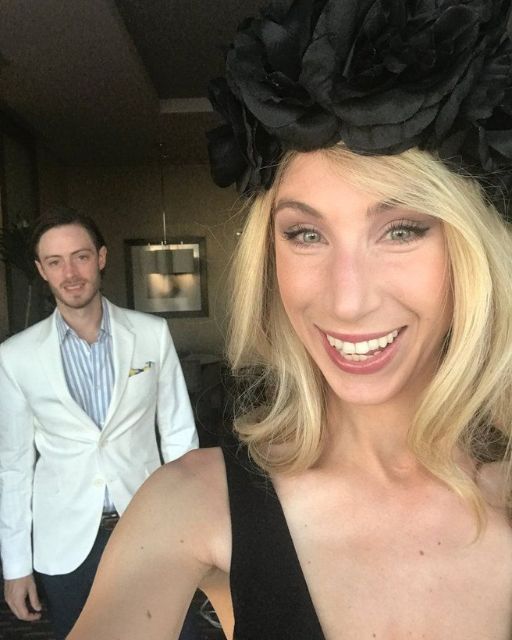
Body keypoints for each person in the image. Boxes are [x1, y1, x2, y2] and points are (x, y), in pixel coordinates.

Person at [68, 1, 512, 638]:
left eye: (402, 230)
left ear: (473, 252)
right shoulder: (191, 503)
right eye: (306, 234)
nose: (347, 300)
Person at [0, 208, 199, 640]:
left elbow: (179, 436)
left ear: (102, 258)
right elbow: (13, 467)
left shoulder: (151, 333)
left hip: (151, 526)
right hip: (66, 543)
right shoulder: (16, 357)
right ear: (41, 270)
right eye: (55, 262)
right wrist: (15, 567)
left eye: (81, 257)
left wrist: (194, 526)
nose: (70, 273)